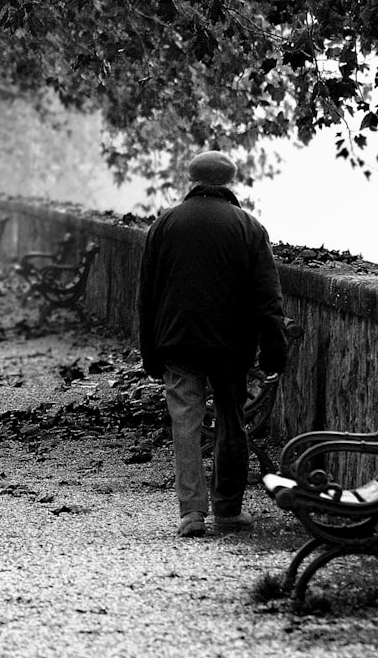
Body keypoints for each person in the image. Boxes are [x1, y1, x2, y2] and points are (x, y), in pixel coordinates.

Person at [137, 151, 288, 538]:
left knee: (184, 424)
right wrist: (275, 349)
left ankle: (191, 513)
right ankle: (227, 510)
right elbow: (268, 299)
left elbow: (146, 297)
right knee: (231, 422)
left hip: (178, 343)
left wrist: (150, 352)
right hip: (231, 347)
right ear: (229, 183)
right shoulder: (249, 228)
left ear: (193, 180)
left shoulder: (165, 224)